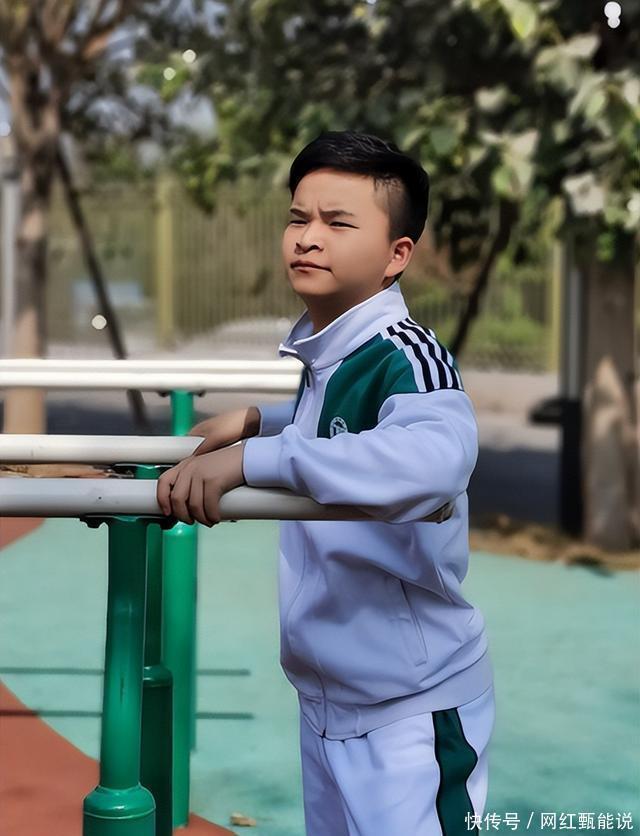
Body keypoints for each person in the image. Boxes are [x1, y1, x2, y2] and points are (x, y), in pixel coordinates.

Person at [157, 130, 495, 835]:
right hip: (328, 702)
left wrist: (254, 458)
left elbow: (434, 459)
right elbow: (340, 428)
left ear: (397, 255)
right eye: (298, 218)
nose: (308, 238)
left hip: (409, 713)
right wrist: (262, 419)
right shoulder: (329, 355)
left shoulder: (406, 355)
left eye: (339, 223)